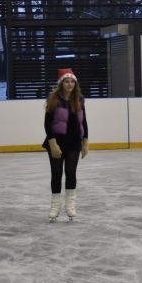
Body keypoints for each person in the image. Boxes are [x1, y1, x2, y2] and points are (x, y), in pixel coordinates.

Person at [43, 68, 89, 222]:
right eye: (66, 81)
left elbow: (84, 121)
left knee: (70, 172)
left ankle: (70, 204)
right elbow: (47, 124)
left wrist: (85, 142)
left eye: (72, 81)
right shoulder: (54, 99)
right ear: (61, 83)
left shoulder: (80, 99)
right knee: (56, 174)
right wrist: (52, 143)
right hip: (57, 142)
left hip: (74, 142)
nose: (70, 84)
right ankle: (55, 206)